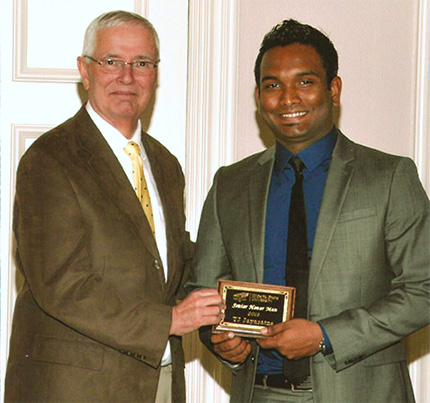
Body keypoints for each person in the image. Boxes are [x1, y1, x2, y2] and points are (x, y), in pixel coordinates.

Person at [186, 19, 430, 402]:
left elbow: (424, 290)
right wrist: (221, 342)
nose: (288, 99)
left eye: (304, 82)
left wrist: (325, 336)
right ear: (258, 96)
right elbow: (202, 291)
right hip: (260, 393)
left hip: (361, 394)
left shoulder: (388, 177)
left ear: (333, 89)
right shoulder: (230, 185)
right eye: (272, 85)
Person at [5, 10, 224, 403]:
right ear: (85, 71)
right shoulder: (50, 159)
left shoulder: (166, 165)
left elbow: (173, 267)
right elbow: (61, 284)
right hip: (75, 391)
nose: (127, 76)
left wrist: (235, 289)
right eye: (112, 62)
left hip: (158, 382)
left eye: (141, 63)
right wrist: (171, 320)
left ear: (155, 74)